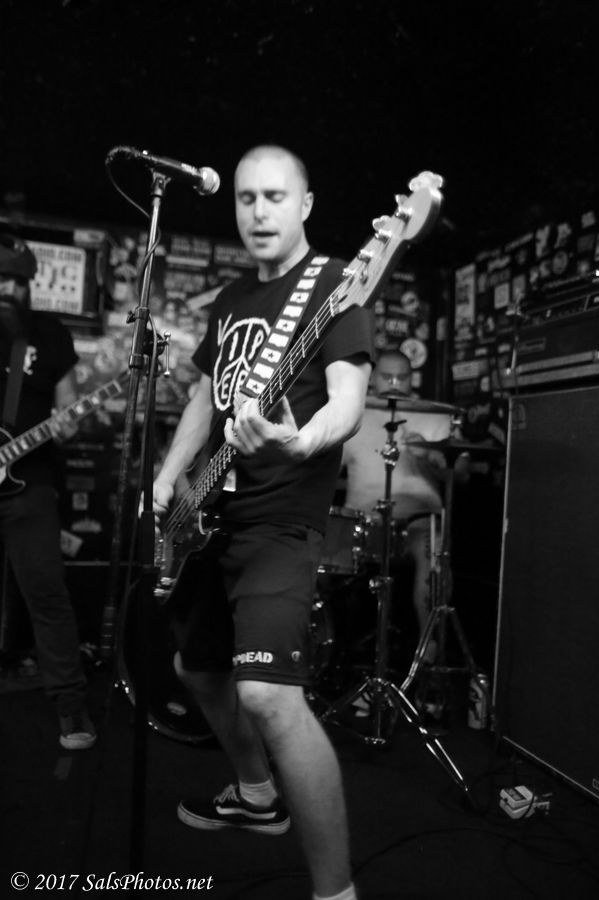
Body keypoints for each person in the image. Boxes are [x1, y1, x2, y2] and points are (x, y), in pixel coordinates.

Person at [150, 145, 373, 900]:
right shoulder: (232, 299)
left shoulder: (334, 283)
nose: (258, 211)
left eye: (275, 196)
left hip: (280, 522)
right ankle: (256, 795)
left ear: (304, 205)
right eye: (246, 198)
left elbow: (347, 399)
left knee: (268, 696)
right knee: (197, 670)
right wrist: (171, 474)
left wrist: (301, 441)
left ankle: (336, 892)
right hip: (213, 516)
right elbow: (204, 396)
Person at [0, 231, 96, 750]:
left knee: (47, 593)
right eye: (0, 279)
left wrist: (69, 424)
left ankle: (71, 707)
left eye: (17, 281)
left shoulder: (50, 335)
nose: (8, 289)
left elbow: (69, 411)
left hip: (29, 484)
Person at [342, 350, 455, 667]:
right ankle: (331, 650)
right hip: (362, 523)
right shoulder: (354, 414)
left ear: (412, 378)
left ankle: (429, 649)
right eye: (386, 377)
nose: (394, 384)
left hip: (419, 522)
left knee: (433, 555)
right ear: (373, 378)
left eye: (401, 378)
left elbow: (458, 473)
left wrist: (428, 455)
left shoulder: (433, 416)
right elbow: (324, 469)